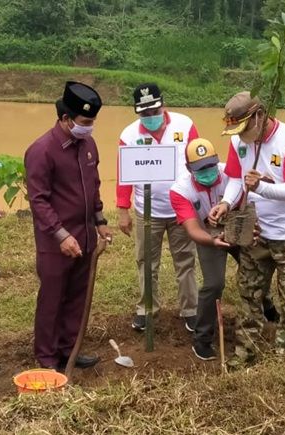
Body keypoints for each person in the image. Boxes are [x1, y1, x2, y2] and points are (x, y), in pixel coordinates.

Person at [208, 91, 285, 365]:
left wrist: (261, 186)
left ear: (259, 115)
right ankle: (245, 351)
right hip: (255, 231)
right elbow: (234, 179)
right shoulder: (238, 142)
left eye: (244, 128)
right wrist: (227, 204)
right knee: (249, 294)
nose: (239, 135)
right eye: (236, 130)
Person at [25, 81, 112, 371]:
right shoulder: (41, 150)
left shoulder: (88, 144)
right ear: (65, 118)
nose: (89, 128)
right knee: (52, 298)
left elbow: (94, 185)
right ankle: (47, 359)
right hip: (55, 241)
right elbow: (38, 201)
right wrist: (61, 235)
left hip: (85, 235)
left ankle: (69, 349)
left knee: (77, 295)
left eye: (92, 122)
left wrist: (100, 221)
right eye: (85, 122)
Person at [116, 83, 199, 332]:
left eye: (154, 111)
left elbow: (198, 162)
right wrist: (123, 209)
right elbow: (123, 175)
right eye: (144, 114)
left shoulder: (185, 125)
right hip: (146, 210)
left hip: (181, 209)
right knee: (146, 261)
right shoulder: (129, 135)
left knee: (185, 260)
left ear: (163, 105)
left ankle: (190, 309)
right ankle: (147, 308)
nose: (151, 117)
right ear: (137, 113)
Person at [169, 138, 238, 360]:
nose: (209, 172)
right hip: (207, 231)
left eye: (211, 165)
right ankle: (202, 339)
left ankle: (264, 309)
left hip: (237, 224)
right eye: (201, 168)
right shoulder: (180, 190)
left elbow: (246, 201)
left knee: (254, 270)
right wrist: (213, 240)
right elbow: (192, 230)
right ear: (189, 168)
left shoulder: (230, 173)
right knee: (213, 284)